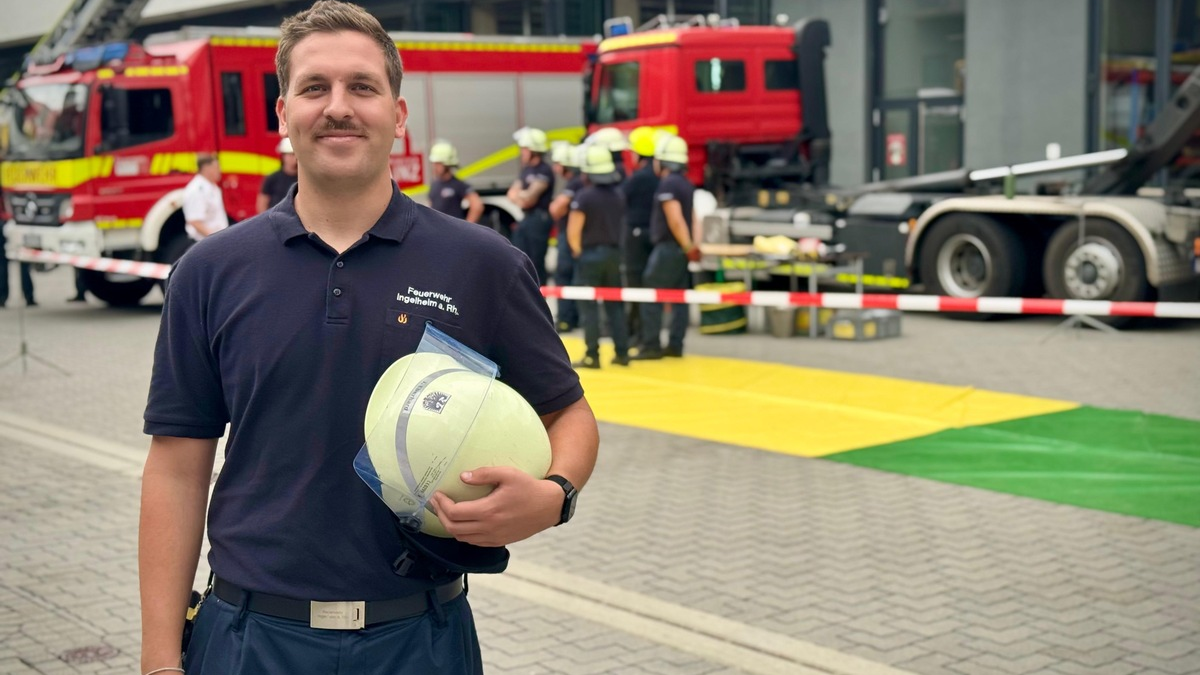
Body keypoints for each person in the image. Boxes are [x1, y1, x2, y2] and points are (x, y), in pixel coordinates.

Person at [139, 3, 598, 675]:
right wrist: (158, 659)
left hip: (420, 637)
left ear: (399, 114)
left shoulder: (483, 264)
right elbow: (177, 467)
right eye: (314, 88)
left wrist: (555, 494)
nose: (338, 107)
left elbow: (569, 412)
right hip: (248, 638)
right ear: (282, 113)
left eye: (362, 87)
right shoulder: (210, 272)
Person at [632, 134, 700, 360]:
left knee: (651, 293)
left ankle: (651, 345)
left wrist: (688, 244)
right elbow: (693, 216)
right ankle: (675, 344)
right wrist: (692, 246)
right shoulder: (686, 183)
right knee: (679, 297)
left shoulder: (668, 184)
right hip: (680, 249)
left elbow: (675, 219)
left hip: (669, 248)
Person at [568, 144, 630, 369]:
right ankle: (622, 353)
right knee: (615, 306)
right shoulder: (619, 195)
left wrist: (578, 253)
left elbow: (573, 232)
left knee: (589, 308)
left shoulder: (584, 197)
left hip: (591, 255)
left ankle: (592, 355)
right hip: (614, 254)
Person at [621, 126, 660, 348]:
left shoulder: (637, 179)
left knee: (636, 287)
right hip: (651, 235)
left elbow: (620, 200)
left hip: (635, 237)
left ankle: (638, 334)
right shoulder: (657, 177)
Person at [507, 126, 554, 286]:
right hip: (526, 219)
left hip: (539, 219)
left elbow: (530, 199)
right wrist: (522, 196)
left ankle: (541, 299)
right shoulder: (526, 170)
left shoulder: (544, 170)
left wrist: (521, 196)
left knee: (536, 263)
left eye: (524, 149)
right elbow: (511, 193)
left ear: (534, 149)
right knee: (519, 258)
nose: (522, 152)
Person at [548, 142, 581, 333]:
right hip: (571, 236)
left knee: (564, 274)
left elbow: (556, 209)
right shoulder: (578, 182)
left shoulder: (574, 183)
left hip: (568, 236)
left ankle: (566, 319)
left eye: (558, 163)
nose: (555, 167)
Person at [427, 139, 483, 223]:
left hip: (452, 233)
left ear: (447, 164)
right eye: (434, 163)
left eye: (438, 163)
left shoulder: (457, 184)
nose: (434, 167)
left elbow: (477, 205)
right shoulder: (434, 184)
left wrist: (466, 228)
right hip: (437, 231)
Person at [182, 154, 229, 242]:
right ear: (206, 168)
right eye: (216, 167)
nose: (220, 170)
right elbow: (195, 221)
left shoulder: (212, 187)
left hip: (212, 240)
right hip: (203, 242)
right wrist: (215, 239)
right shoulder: (197, 190)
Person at [257, 138, 299, 212]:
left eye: (296, 154)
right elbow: (262, 203)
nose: (294, 158)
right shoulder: (272, 178)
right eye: (291, 155)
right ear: (283, 156)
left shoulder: (305, 179)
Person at [0, 225, 36, 308]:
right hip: (18, 225)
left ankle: (2, 298)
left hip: (7, 224)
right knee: (23, 264)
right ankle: (29, 297)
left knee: (2, 265)